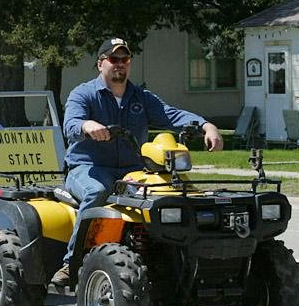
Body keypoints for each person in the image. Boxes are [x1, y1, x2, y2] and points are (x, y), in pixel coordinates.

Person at [51, 37, 223, 287]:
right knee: (97, 192)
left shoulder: (140, 96)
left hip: (132, 171)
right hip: (88, 168)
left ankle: (172, 261)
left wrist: (207, 126)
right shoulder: (84, 94)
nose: (120, 64)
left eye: (125, 59)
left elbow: (170, 114)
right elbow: (71, 124)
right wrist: (87, 126)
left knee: (170, 195)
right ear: (101, 64)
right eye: (114, 59)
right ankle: (72, 263)